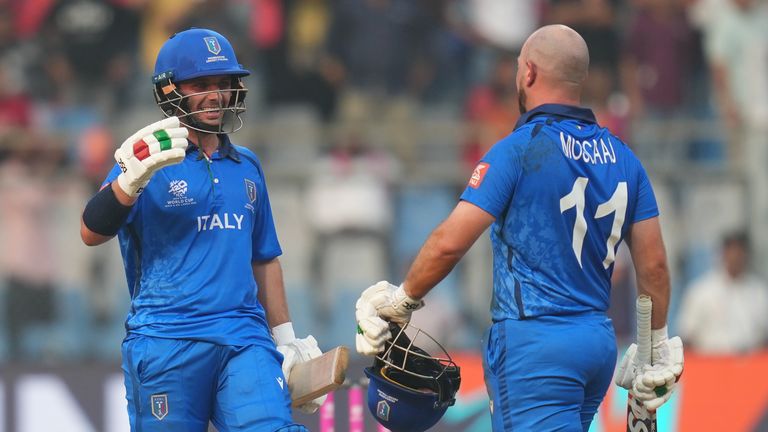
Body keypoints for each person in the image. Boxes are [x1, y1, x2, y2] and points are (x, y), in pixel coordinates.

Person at [354, 25, 684, 431]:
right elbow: (654, 267)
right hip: (597, 341)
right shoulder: (624, 158)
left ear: (528, 73)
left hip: (536, 346)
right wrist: (655, 348)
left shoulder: (520, 148)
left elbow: (449, 244)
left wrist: (402, 298)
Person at [80, 28, 323, 431]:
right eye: (202, 84)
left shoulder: (247, 165)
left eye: (223, 83)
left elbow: (264, 258)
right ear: (169, 90)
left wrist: (286, 338)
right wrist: (128, 183)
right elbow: (91, 231)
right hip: (166, 341)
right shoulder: (147, 160)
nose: (216, 94)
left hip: (244, 339)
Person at [678, 231, 768, 354]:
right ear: (723, 253)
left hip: (750, 364)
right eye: (732, 251)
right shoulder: (701, 291)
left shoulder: (759, 292)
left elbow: (763, 337)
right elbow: (687, 336)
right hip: (710, 364)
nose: (735, 257)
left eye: (740, 252)